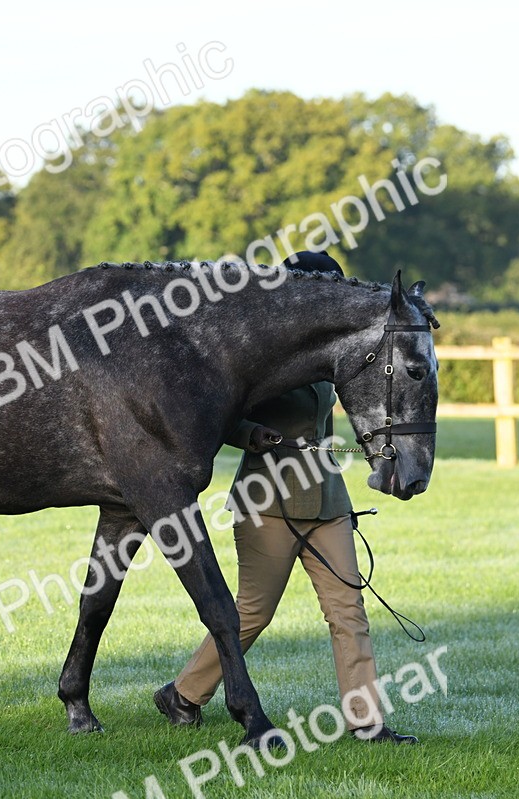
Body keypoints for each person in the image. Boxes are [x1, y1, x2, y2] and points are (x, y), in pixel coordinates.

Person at [153, 251, 416, 744]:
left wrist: (346, 478)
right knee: (253, 612)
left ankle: (367, 722)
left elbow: (334, 424)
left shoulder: (331, 355)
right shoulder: (258, 351)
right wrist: (252, 434)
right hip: (266, 499)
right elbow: (219, 416)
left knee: (348, 612)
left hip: (327, 502)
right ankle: (183, 694)